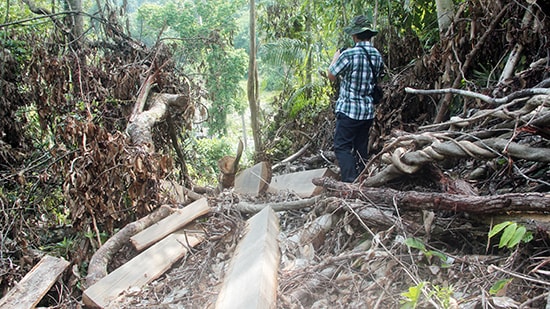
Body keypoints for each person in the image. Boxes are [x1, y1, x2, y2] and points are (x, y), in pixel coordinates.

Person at [327, 15, 383, 183]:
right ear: (369, 35)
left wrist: (335, 58)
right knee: (360, 148)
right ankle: (363, 180)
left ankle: (350, 182)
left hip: (349, 110)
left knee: (341, 146)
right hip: (367, 111)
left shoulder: (349, 54)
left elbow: (331, 75)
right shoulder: (376, 55)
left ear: (355, 35)